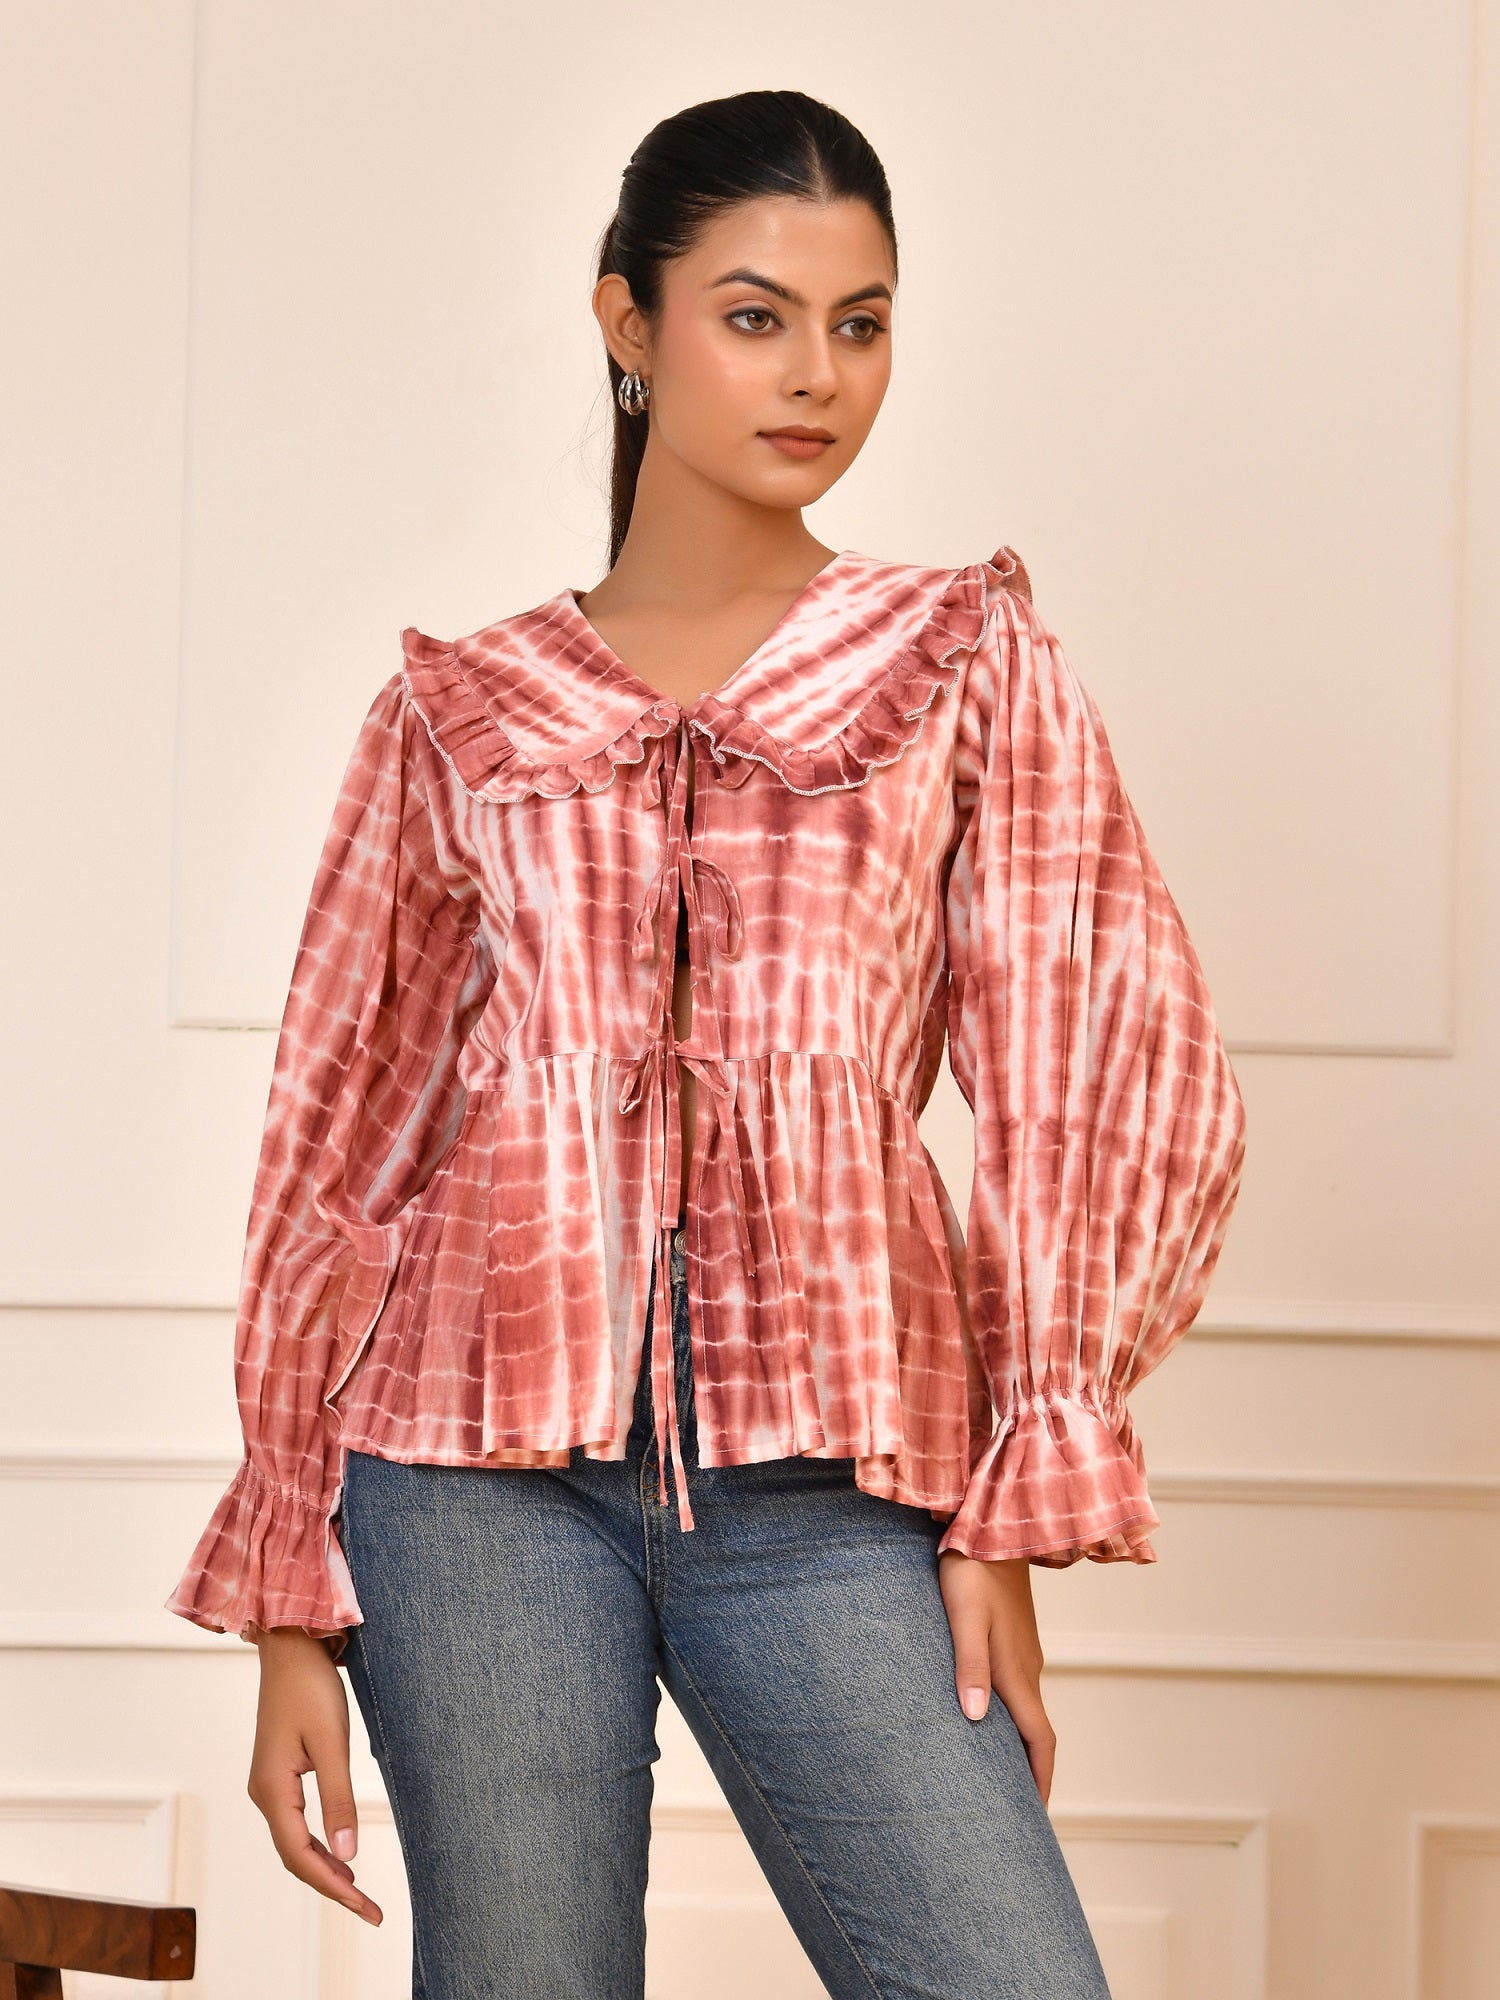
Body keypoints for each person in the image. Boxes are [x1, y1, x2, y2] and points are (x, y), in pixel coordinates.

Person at [166, 87, 1247, 2000]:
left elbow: (1098, 1065)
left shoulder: (956, 660)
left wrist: (1011, 1478)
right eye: (755, 315)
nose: (818, 373)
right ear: (626, 324)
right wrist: (283, 1608)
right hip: (466, 1483)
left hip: (835, 1485)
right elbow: (342, 1140)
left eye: (862, 320)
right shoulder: (462, 711)